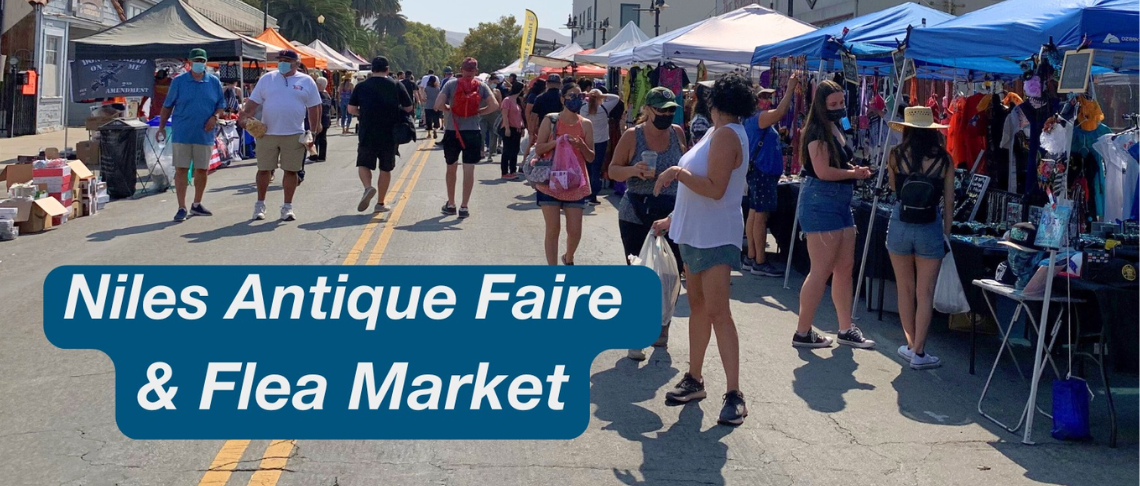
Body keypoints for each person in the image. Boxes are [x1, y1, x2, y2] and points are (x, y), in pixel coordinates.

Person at [650, 74, 754, 426]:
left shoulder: (726, 135)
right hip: (696, 233)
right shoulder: (717, 132)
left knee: (718, 312)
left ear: (717, 102)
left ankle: (734, 393)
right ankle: (694, 378)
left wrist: (676, 172)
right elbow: (703, 190)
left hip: (714, 236)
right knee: (699, 308)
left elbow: (714, 188)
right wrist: (674, 217)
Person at [793, 80, 875, 348]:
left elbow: (837, 162)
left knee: (844, 267)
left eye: (841, 102)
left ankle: (845, 328)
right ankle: (803, 331)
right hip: (821, 200)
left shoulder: (837, 126)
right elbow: (823, 171)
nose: (839, 107)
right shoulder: (816, 131)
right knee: (821, 270)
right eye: (833, 104)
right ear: (822, 105)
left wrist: (854, 170)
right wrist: (853, 173)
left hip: (840, 200)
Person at [608, 86, 687, 360]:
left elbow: (685, 166)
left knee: (671, 273)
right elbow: (613, 170)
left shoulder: (677, 133)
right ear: (648, 110)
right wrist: (633, 170)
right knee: (639, 274)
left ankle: (663, 327)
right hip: (636, 211)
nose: (666, 115)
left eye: (671, 110)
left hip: (671, 211)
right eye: (661, 110)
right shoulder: (634, 135)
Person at [886, 107, 953, 370]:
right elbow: (949, 201)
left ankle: (911, 344)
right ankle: (920, 352)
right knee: (925, 292)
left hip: (900, 221)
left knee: (904, 288)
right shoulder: (944, 160)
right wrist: (946, 232)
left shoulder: (895, 155)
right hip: (929, 224)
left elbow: (894, 189)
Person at [238, 49, 323, 222]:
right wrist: (244, 116)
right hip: (267, 133)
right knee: (264, 170)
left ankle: (287, 207)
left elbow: (314, 107)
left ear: (296, 63)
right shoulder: (267, 79)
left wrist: (313, 130)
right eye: (280, 60)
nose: (282, 63)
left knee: (291, 171)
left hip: (294, 133)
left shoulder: (306, 81)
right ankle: (260, 205)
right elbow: (253, 102)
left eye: (287, 60)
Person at [157, 48, 225, 222]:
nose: (199, 63)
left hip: (205, 133)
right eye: (196, 60)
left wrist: (215, 117)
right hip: (183, 133)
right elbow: (167, 105)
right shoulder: (179, 82)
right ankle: (181, 207)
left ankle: (197, 203)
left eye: (202, 60)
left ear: (206, 62)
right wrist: (161, 127)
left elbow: (220, 105)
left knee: (202, 170)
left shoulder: (214, 82)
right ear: (189, 61)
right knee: (181, 169)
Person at [743, 78, 799, 278]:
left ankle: (752, 256)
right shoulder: (758, 117)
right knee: (760, 216)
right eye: (763, 97)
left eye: (768, 96)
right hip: (763, 172)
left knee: (755, 213)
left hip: (761, 172)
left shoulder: (754, 118)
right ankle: (759, 261)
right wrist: (790, 89)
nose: (767, 100)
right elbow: (780, 112)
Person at [533, 84, 595, 265]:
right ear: (562, 99)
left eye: (580, 96)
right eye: (571, 96)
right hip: (550, 182)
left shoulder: (586, 124)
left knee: (575, 231)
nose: (576, 99)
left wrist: (581, 146)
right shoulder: (551, 120)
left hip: (575, 183)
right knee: (553, 229)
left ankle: (569, 257)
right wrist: (557, 142)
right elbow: (539, 148)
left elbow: (591, 157)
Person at [434, 57, 499, 218]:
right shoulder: (481, 86)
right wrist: (478, 112)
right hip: (473, 131)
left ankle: (451, 204)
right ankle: (464, 206)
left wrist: (449, 109)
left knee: (451, 167)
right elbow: (494, 105)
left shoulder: (451, 84)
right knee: (469, 169)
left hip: (452, 130)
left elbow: (438, 105)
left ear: (461, 70)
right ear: (476, 71)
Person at [349, 56, 414, 213]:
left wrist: (363, 114)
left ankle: (368, 187)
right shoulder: (396, 85)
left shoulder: (361, 86)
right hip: (389, 133)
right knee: (385, 168)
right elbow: (408, 107)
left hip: (367, 131)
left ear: (372, 69)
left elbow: (351, 109)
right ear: (387, 69)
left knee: (363, 163)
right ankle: (380, 203)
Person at [580, 88, 621, 205]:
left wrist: (586, 94)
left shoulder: (583, 108)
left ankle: (585, 193)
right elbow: (616, 98)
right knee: (596, 169)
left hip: (586, 141)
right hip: (601, 142)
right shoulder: (604, 108)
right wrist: (601, 95)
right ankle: (593, 195)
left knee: (586, 168)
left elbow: (580, 98)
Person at [498, 81, 526, 179]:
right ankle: (505, 172)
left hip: (517, 129)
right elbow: (505, 115)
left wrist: (522, 127)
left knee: (515, 150)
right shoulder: (507, 100)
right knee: (507, 150)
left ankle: (513, 171)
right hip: (509, 128)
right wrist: (507, 128)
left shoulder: (518, 101)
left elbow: (520, 116)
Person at [530, 74, 564, 148]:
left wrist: (532, 132)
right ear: (560, 84)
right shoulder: (564, 97)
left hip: (543, 128)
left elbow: (533, 117)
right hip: (561, 128)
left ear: (547, 84)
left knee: (543, 149)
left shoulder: (540, 98)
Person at [480, 74, 504, 161]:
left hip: (494, 115)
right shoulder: (482, 90)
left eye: (496, 83)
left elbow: (500, 103)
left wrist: (501, 115)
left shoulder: (497, 91)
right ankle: (481, 151)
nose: (495, 84)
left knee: (493, 135)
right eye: (494, 82)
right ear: (489, 81)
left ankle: (490, 153)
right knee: (481, 133)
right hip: (483, 114)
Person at [310, 77, 333, 162]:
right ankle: (322, 156)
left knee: (316, 137)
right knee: (323, 137)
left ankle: (314, 155)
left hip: (320, 118)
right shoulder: (327, 95)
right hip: (326, 117)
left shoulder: (318, 95)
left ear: (319, 85)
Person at [524, 78, 547, 147]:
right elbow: (528, 111)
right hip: (533, 123)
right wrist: (530, 125)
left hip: (536, 123)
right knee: (532, 143)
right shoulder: (533, 96)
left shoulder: (538, 96)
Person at [423, 75, 442, 139]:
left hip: (428, 106)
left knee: (429, 120)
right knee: (436, 119)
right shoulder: (438, 89)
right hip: (436, 106)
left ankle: (429, 134)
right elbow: (440, 97)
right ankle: (435, 129)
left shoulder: (426, 88)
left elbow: (424, 98)